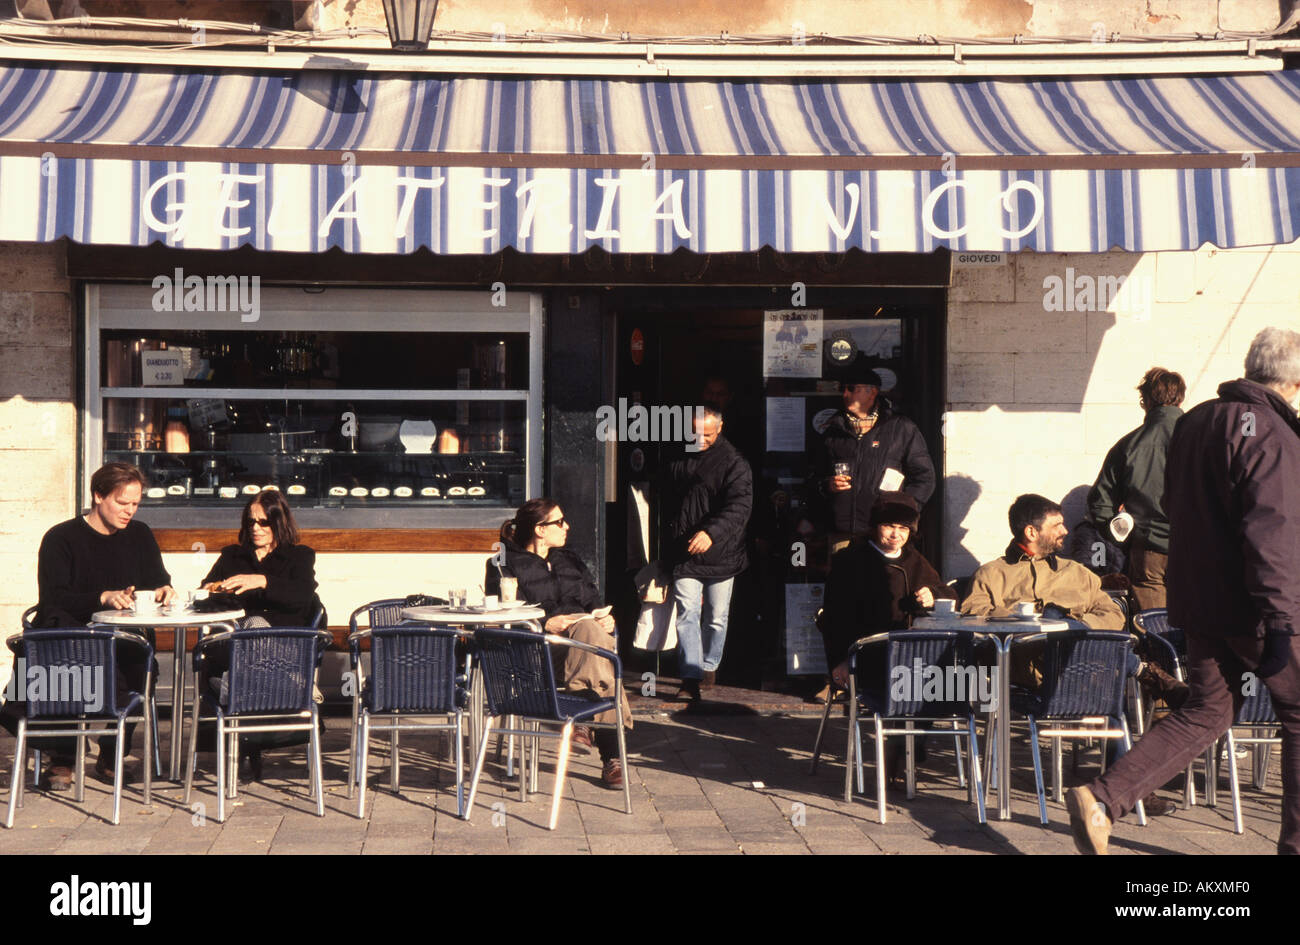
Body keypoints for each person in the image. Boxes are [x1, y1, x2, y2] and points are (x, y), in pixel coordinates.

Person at [1068, 327, 1300, 855]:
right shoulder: (1272, 433)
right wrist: (1284, 618)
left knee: (1206, 710)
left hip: (1196, 597)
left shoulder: (1198, 422)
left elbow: (1173, 505)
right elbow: (1274, 531)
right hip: (1255, 604)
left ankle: (1103, 799)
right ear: (1296, 379)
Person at [963, 493, 1179, 814]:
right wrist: (1031, 619)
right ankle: (1144, 671)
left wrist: (1076, 626)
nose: (1065, 531)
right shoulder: (992, 574)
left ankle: (1126, 789)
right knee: (1054, 620)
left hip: (1084, 674)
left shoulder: (1076, 572)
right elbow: (972, 618)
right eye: (1057, 525)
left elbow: (1112, 612)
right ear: (1031, 532)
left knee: (1087, 655)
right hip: (1028, 677)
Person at [27, 462, 175, 790]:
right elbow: (53, 598)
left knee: (141, 663)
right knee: (68, 665)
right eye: (122, 503)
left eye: (136, 504)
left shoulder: (139, 534)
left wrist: (165, 589)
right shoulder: (61, 538)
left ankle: (111, 751)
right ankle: (62, 756)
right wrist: (103, 597)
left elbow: (157, 579)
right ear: (98, 496)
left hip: (121, 637)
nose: (129, 512)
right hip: (71, 634)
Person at [485, 498, 632, 788]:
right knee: (601, 654)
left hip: (583, 646)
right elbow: (500, 614)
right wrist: (544, 624)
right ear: (540, 529)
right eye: (560, 522)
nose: (568, 526)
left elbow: (593, 602)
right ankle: (611, 755)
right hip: (538, 652)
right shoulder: (503, 563)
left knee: (592, 631)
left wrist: (606, 620)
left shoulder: (569, 559)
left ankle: (581, 723)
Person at [198, 489, 320, 780]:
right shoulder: (232, 555)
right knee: (250, 626)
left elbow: (304, 596)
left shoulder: (299, 556)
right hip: (241, 653)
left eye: (263, 522)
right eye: (251, 522)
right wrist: (216, 590)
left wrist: (263, 581)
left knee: (255, 626)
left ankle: (236, 687)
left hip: (284, 647)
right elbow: (205, 593)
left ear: (279, 523)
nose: (255, 528)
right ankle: (295, 684)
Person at [821, 492, 956, 691]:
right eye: (889, 526)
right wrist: (840, 660)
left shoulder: (915, 560)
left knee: (953, 676)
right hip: (868, 654)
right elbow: (835, 619)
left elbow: (951, 597)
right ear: (875, 526)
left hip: (911, 654)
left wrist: (933, 595)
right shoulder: (849, 561)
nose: (896, 535)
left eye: (903, 528)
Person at [663, 407, 752, 702]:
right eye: (696, 433)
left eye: (708, 434)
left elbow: (739, 507)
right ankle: (690, 676)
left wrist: (711, 533)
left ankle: (709, 664)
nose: (701, 439)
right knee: (688, 613)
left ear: (721, 427)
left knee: (716, 617)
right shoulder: (677, 455)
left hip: (722, 553)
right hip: (685, 551)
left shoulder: (734, 463)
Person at [1087, 367, 1186, 611]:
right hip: (1195, 548)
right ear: (1181, 398)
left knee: (1154, 630)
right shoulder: (1205, 440)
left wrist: (1123, 536)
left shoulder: (1127, 445)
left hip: (1147, 552)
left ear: (1145, 401)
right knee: (1197, 633)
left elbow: (1099, 504)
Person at [814, 359, 935, 554]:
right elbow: (813, 477)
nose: (845, 394)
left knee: (883, 584)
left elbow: (924, 478)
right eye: (842, 388)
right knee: (843, 584)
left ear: (873, 392)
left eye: (852, 388)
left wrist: (901, 516)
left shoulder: (901, 428)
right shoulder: (832, 431)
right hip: (842, 535)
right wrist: (827, 485)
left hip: (885, 536)